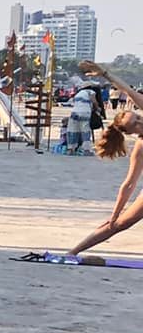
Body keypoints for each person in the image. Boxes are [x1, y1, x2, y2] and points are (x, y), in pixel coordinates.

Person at [69, 62, 143, 253]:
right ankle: (73, 252)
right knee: (118, 225)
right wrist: (116, 214)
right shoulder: (140, 148)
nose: (141, 120)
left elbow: (127, 90)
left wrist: (105, 74)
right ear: (130, 132)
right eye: (136, 122)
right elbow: (129, 184)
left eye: (138, 116)